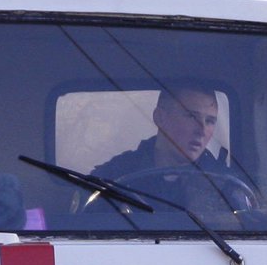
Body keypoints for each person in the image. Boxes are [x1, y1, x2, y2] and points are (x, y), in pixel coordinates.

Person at [91, 85, 255, 210]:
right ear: (160, 118)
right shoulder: (116, 175)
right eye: (191, 116)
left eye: (210, 121)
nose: (202, 130)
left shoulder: (226, 184)